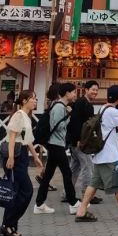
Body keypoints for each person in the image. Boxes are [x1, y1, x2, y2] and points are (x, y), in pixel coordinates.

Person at [74, 85, 118, 223]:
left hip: (100, 155)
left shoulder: (103, 108)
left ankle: (81, 211)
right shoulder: (112, 111)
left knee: (93, 184)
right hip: (111, 156)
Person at [0, 90, 44, 236]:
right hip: (16, 155)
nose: (35, 101)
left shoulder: (26, 116)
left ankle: (9, 225)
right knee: (26, 191)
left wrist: (36, 157)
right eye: (33, 98)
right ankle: (8, 224)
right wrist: (11, 157)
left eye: (35, 98)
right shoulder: (18, 115)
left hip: (22, 153)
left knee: (16, 192)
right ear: (24, 101)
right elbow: (12, 135)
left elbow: (27, 139)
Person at [34, 83, 83, 215]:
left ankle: (39, 204)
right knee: (67, 173)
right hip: (56, 144)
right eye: (73, 92)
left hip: (55, 144)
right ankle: (73, 202)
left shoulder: (58, 106)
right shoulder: (59, 107)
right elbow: (57, 125)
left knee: (48, 175)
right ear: (67, 93)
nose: (74, 95)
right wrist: (68, 116)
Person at [66, 81, 100, 203]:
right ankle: (87, 194)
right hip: (80, 141)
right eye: (93, 89)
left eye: (96, 90)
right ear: (86, 89)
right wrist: (78, 140)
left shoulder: (80, 103)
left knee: (75, 168)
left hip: (74, 140)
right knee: (88, 166)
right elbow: (78, 123)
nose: (95, 92)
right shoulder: (84, 104)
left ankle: (67, 192)